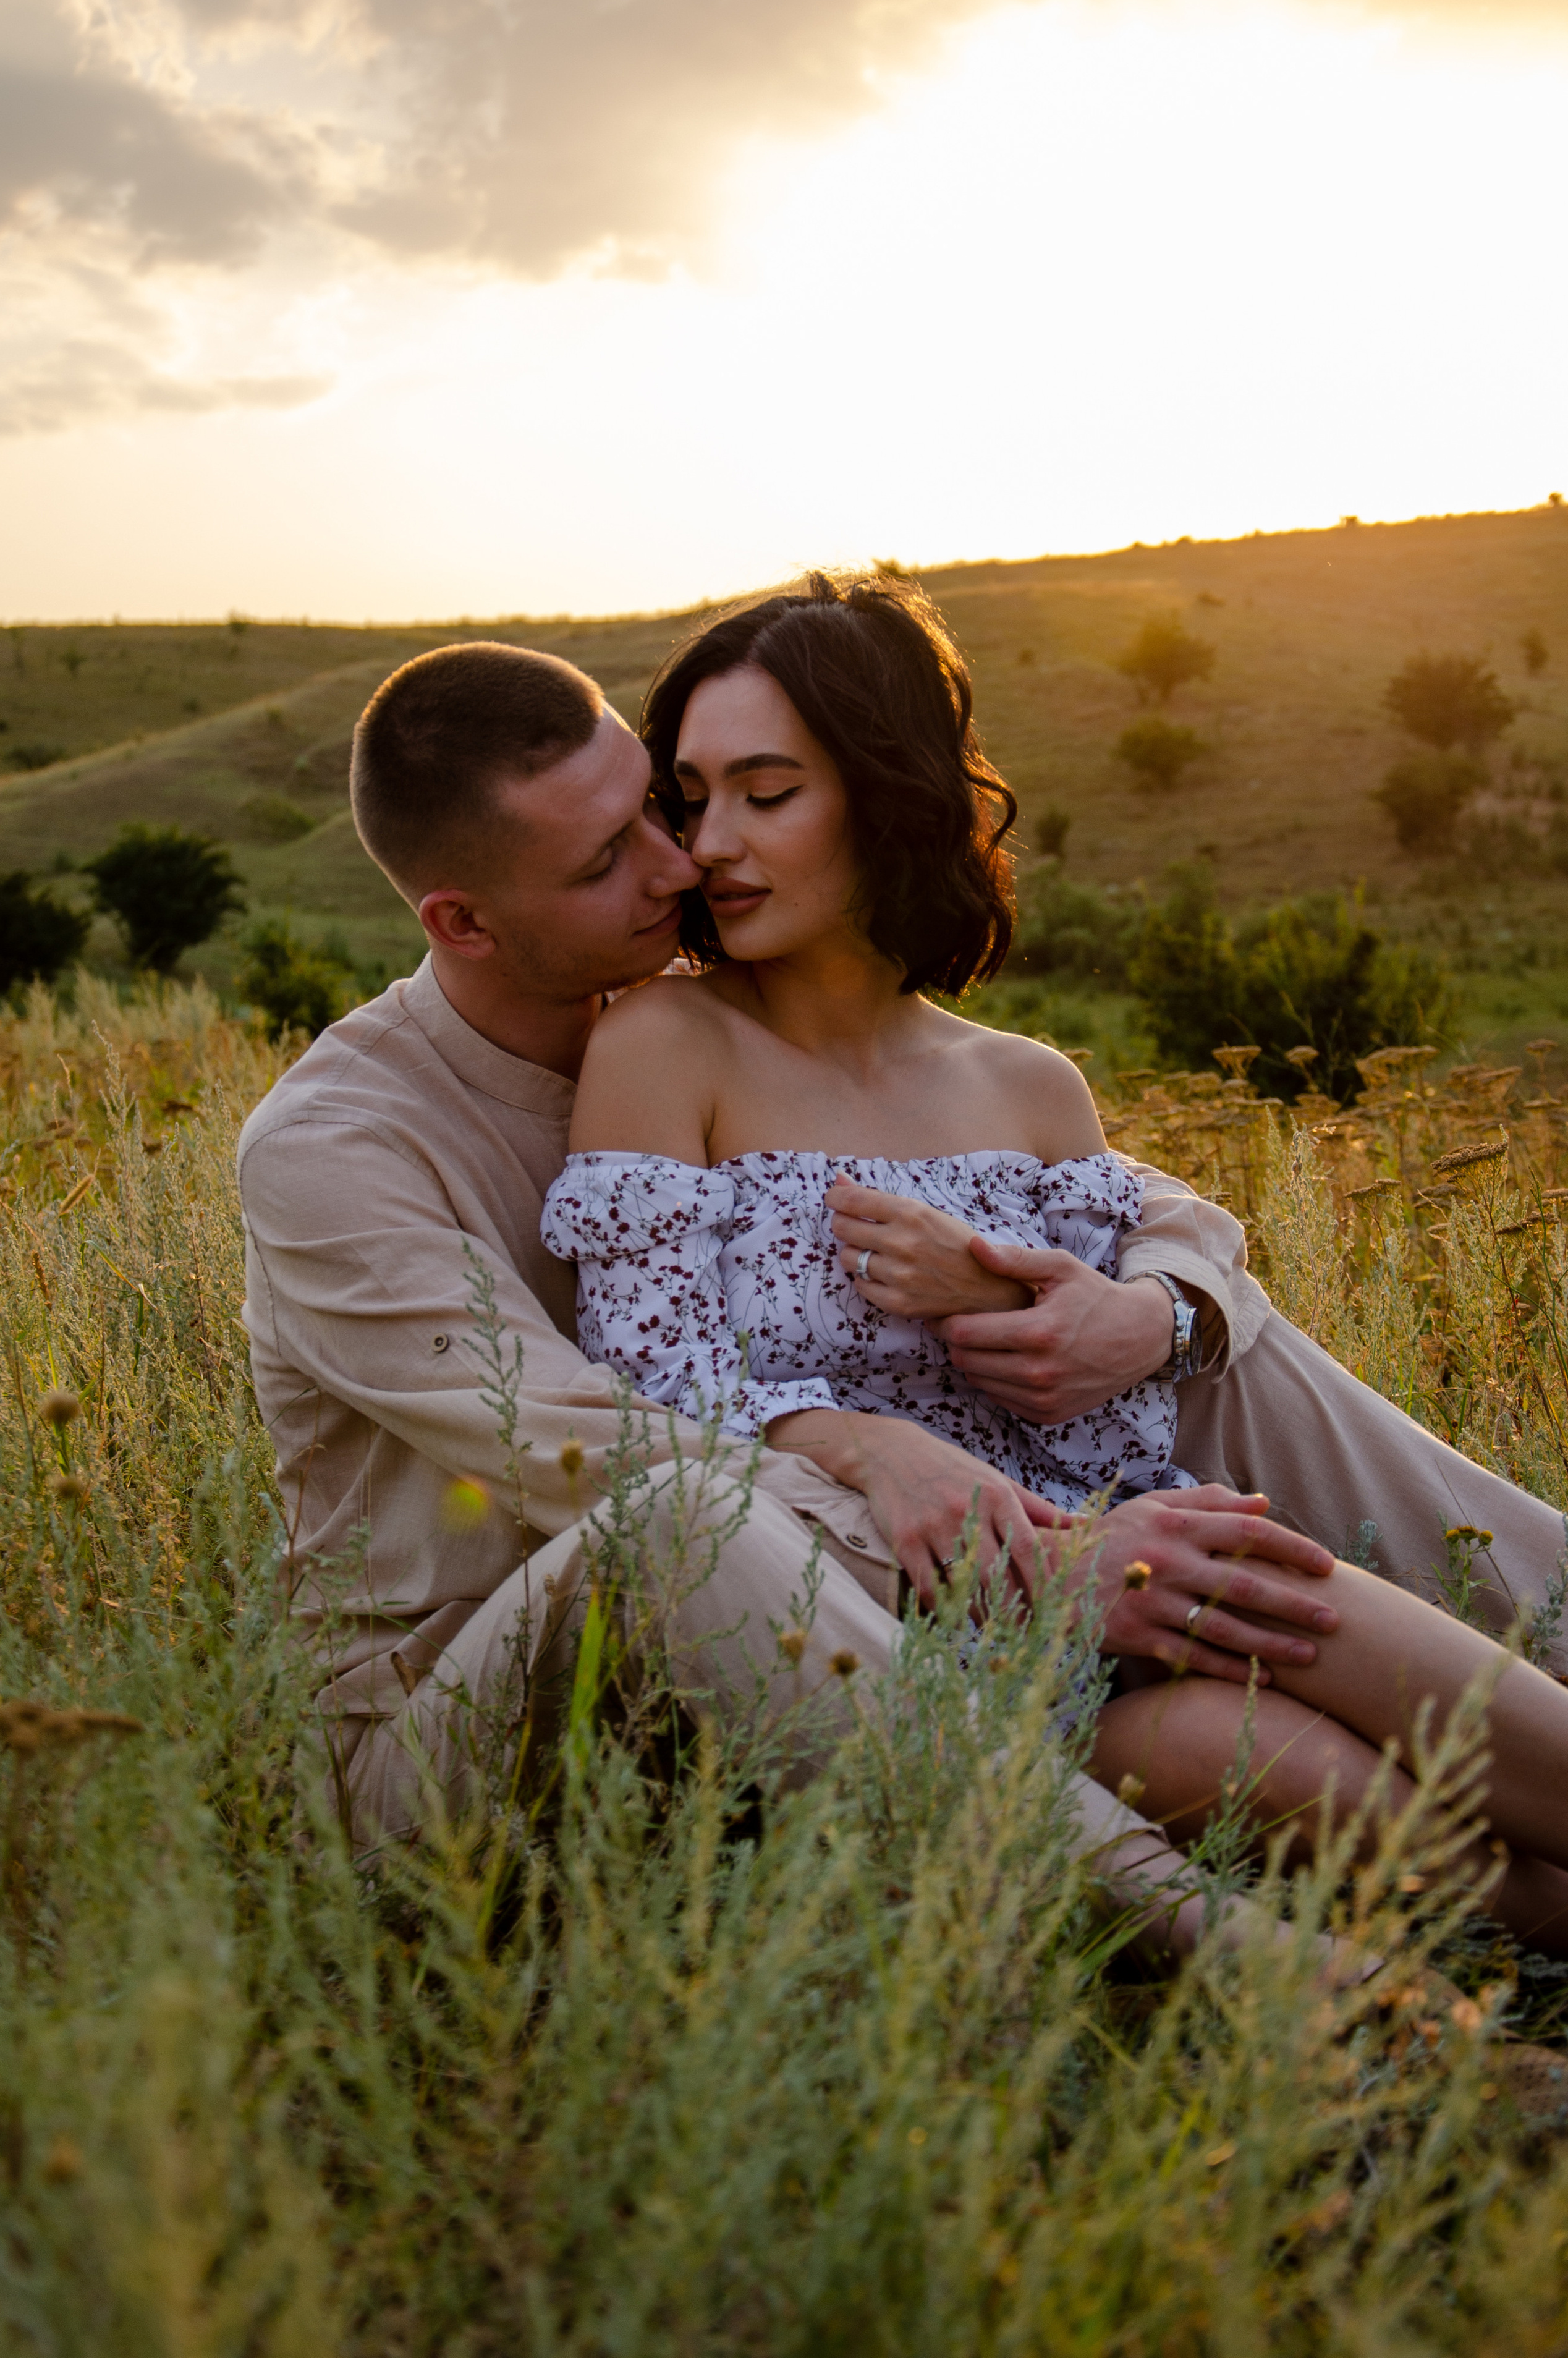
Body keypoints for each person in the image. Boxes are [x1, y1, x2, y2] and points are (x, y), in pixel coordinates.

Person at [236, 635, 1351, 1964]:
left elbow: (1136, 1197)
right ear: (461, 921)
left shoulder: (670, 1029)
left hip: (785, 1677)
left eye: (653, 804)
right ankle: (1270, 1975)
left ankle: (1541, 1614)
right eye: (605, 861)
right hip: (467, 1742)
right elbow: (591, 1450)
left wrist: (1157, 1308)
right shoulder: (338, 1148)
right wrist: (1019, 1555)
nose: (680, 861)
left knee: (1191, 1340)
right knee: (670, 1516)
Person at [538, 570, 1568, 1949]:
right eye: (690, 797)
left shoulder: (1028, 1087)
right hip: (914, 1638)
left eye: (765, 794)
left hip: (1146, 1554)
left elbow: (1115, 1389)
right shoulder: (666, 1046)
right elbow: (651, 1384)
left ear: (885, 791)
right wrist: (855, 1440)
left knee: (1504, 1735)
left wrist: (1026, 1294)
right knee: (1349, 1797)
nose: (711, 843)